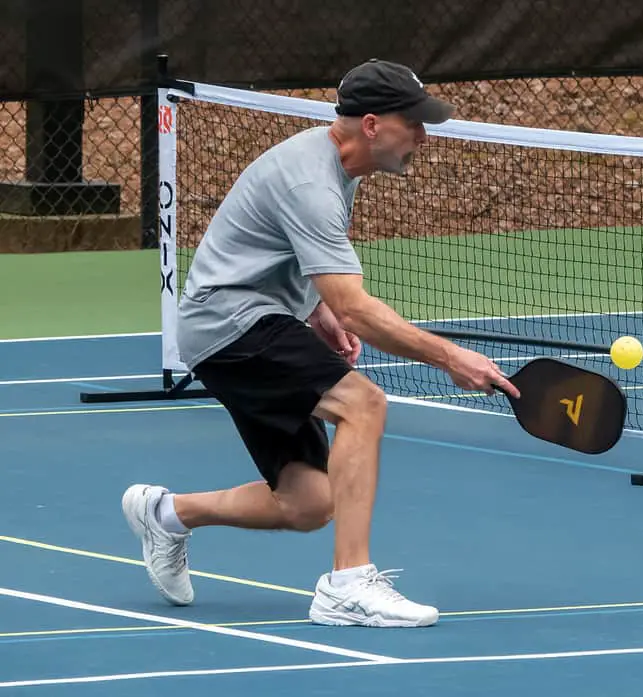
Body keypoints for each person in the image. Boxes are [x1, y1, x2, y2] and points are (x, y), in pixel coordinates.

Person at [122, 58, 520, 628]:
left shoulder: (339, 167)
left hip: (243, 321)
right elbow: (358, 306)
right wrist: (450, 356)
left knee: (308, 504)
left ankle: (166, 513)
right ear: (374, 124)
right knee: (363, 403)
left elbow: (295, 260)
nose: (425, 137)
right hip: (233, 325)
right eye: (416, 123)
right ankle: (348, 584)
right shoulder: (311, 181)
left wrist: (315, 310)